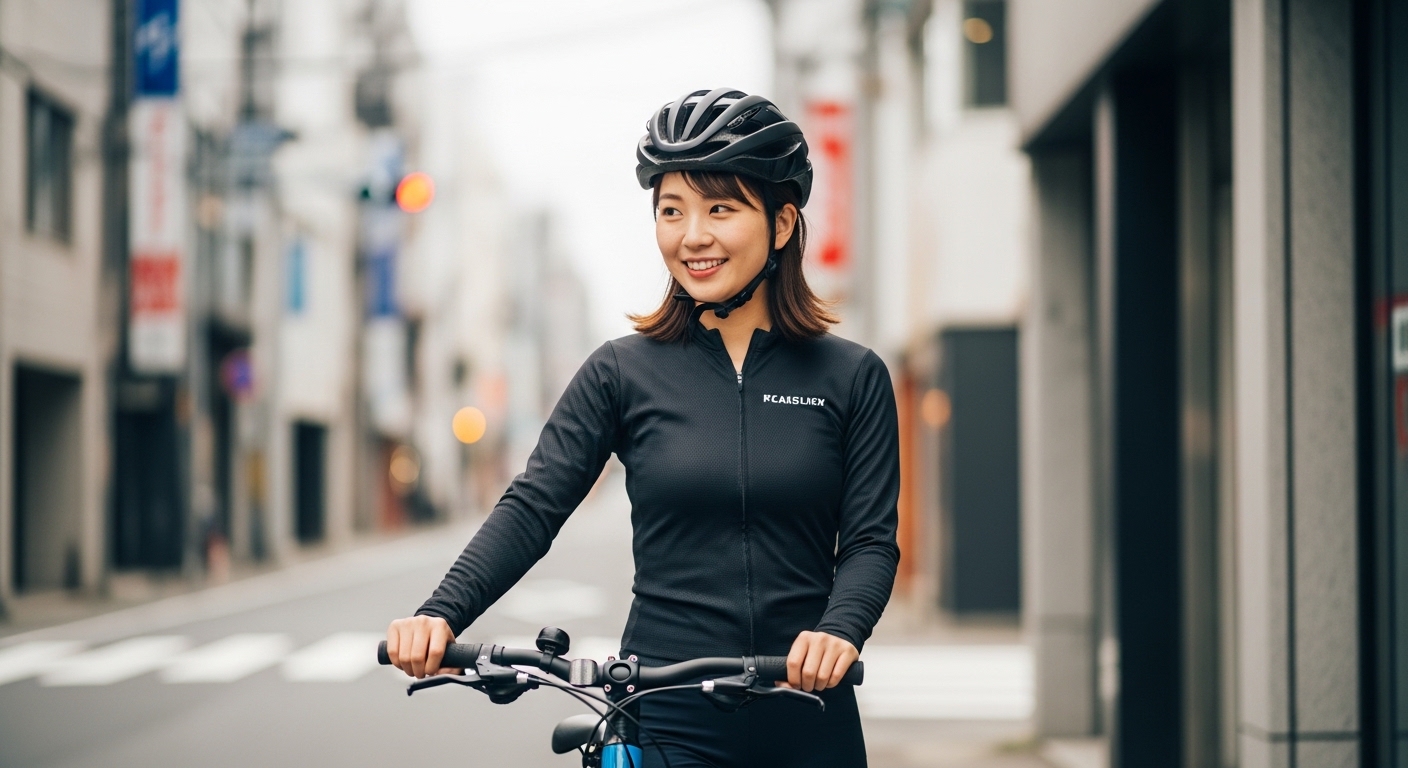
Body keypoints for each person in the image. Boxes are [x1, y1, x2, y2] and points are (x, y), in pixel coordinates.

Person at [385, 88, 900, 767]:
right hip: (663, 711)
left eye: (721, 208)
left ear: (781, 223)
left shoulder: (851, 377)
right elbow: (534, 506)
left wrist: (840, 631)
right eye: (671, 210)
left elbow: (869, 541)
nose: (692, 236)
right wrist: (440, 614)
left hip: (809, 707)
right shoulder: (620, 373)